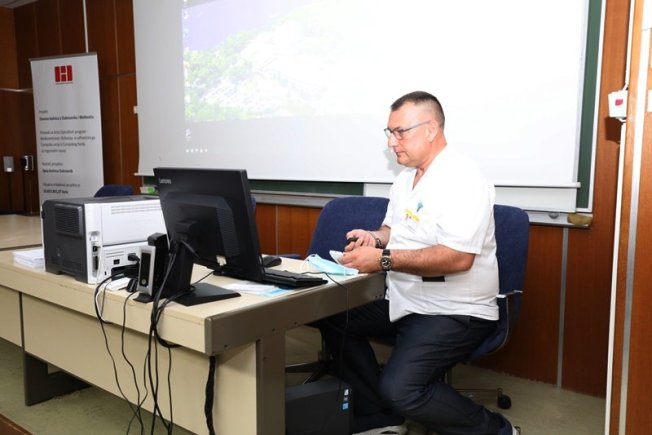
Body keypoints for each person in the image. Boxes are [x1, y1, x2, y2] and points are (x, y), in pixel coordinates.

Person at [316, 91, 519, 435]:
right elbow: (392, 230)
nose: (391, 142)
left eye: (400, 132)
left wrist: (381, 260)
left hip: (456, 309)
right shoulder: (405, 180)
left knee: (402, 389)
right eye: (389, 133)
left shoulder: (463, 178)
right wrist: (374, 238)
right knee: (334, 315)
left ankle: (499, 431)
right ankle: (380, 415)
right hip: (406, 298)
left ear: (431, 129)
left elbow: (458, 258)